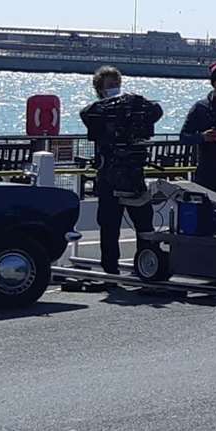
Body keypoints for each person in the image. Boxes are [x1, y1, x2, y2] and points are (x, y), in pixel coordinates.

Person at [79, 66, 164, 275]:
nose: (115, 89)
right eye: (110, 86)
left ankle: (147, 266)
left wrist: (136, 101)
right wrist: (110, 105)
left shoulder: (132, 108)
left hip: (133, 174)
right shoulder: (97, 111)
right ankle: (110, 270)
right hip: (109, 175)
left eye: (117, 85)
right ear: (100, 88)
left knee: (144, 223)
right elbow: (86, 114)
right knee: (109, 226)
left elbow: (156, 111)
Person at [178, 60, 216, 195]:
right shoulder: (201, 107)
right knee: (205, 212)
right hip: (207, 171)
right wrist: (202, 137)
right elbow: (183, 137)